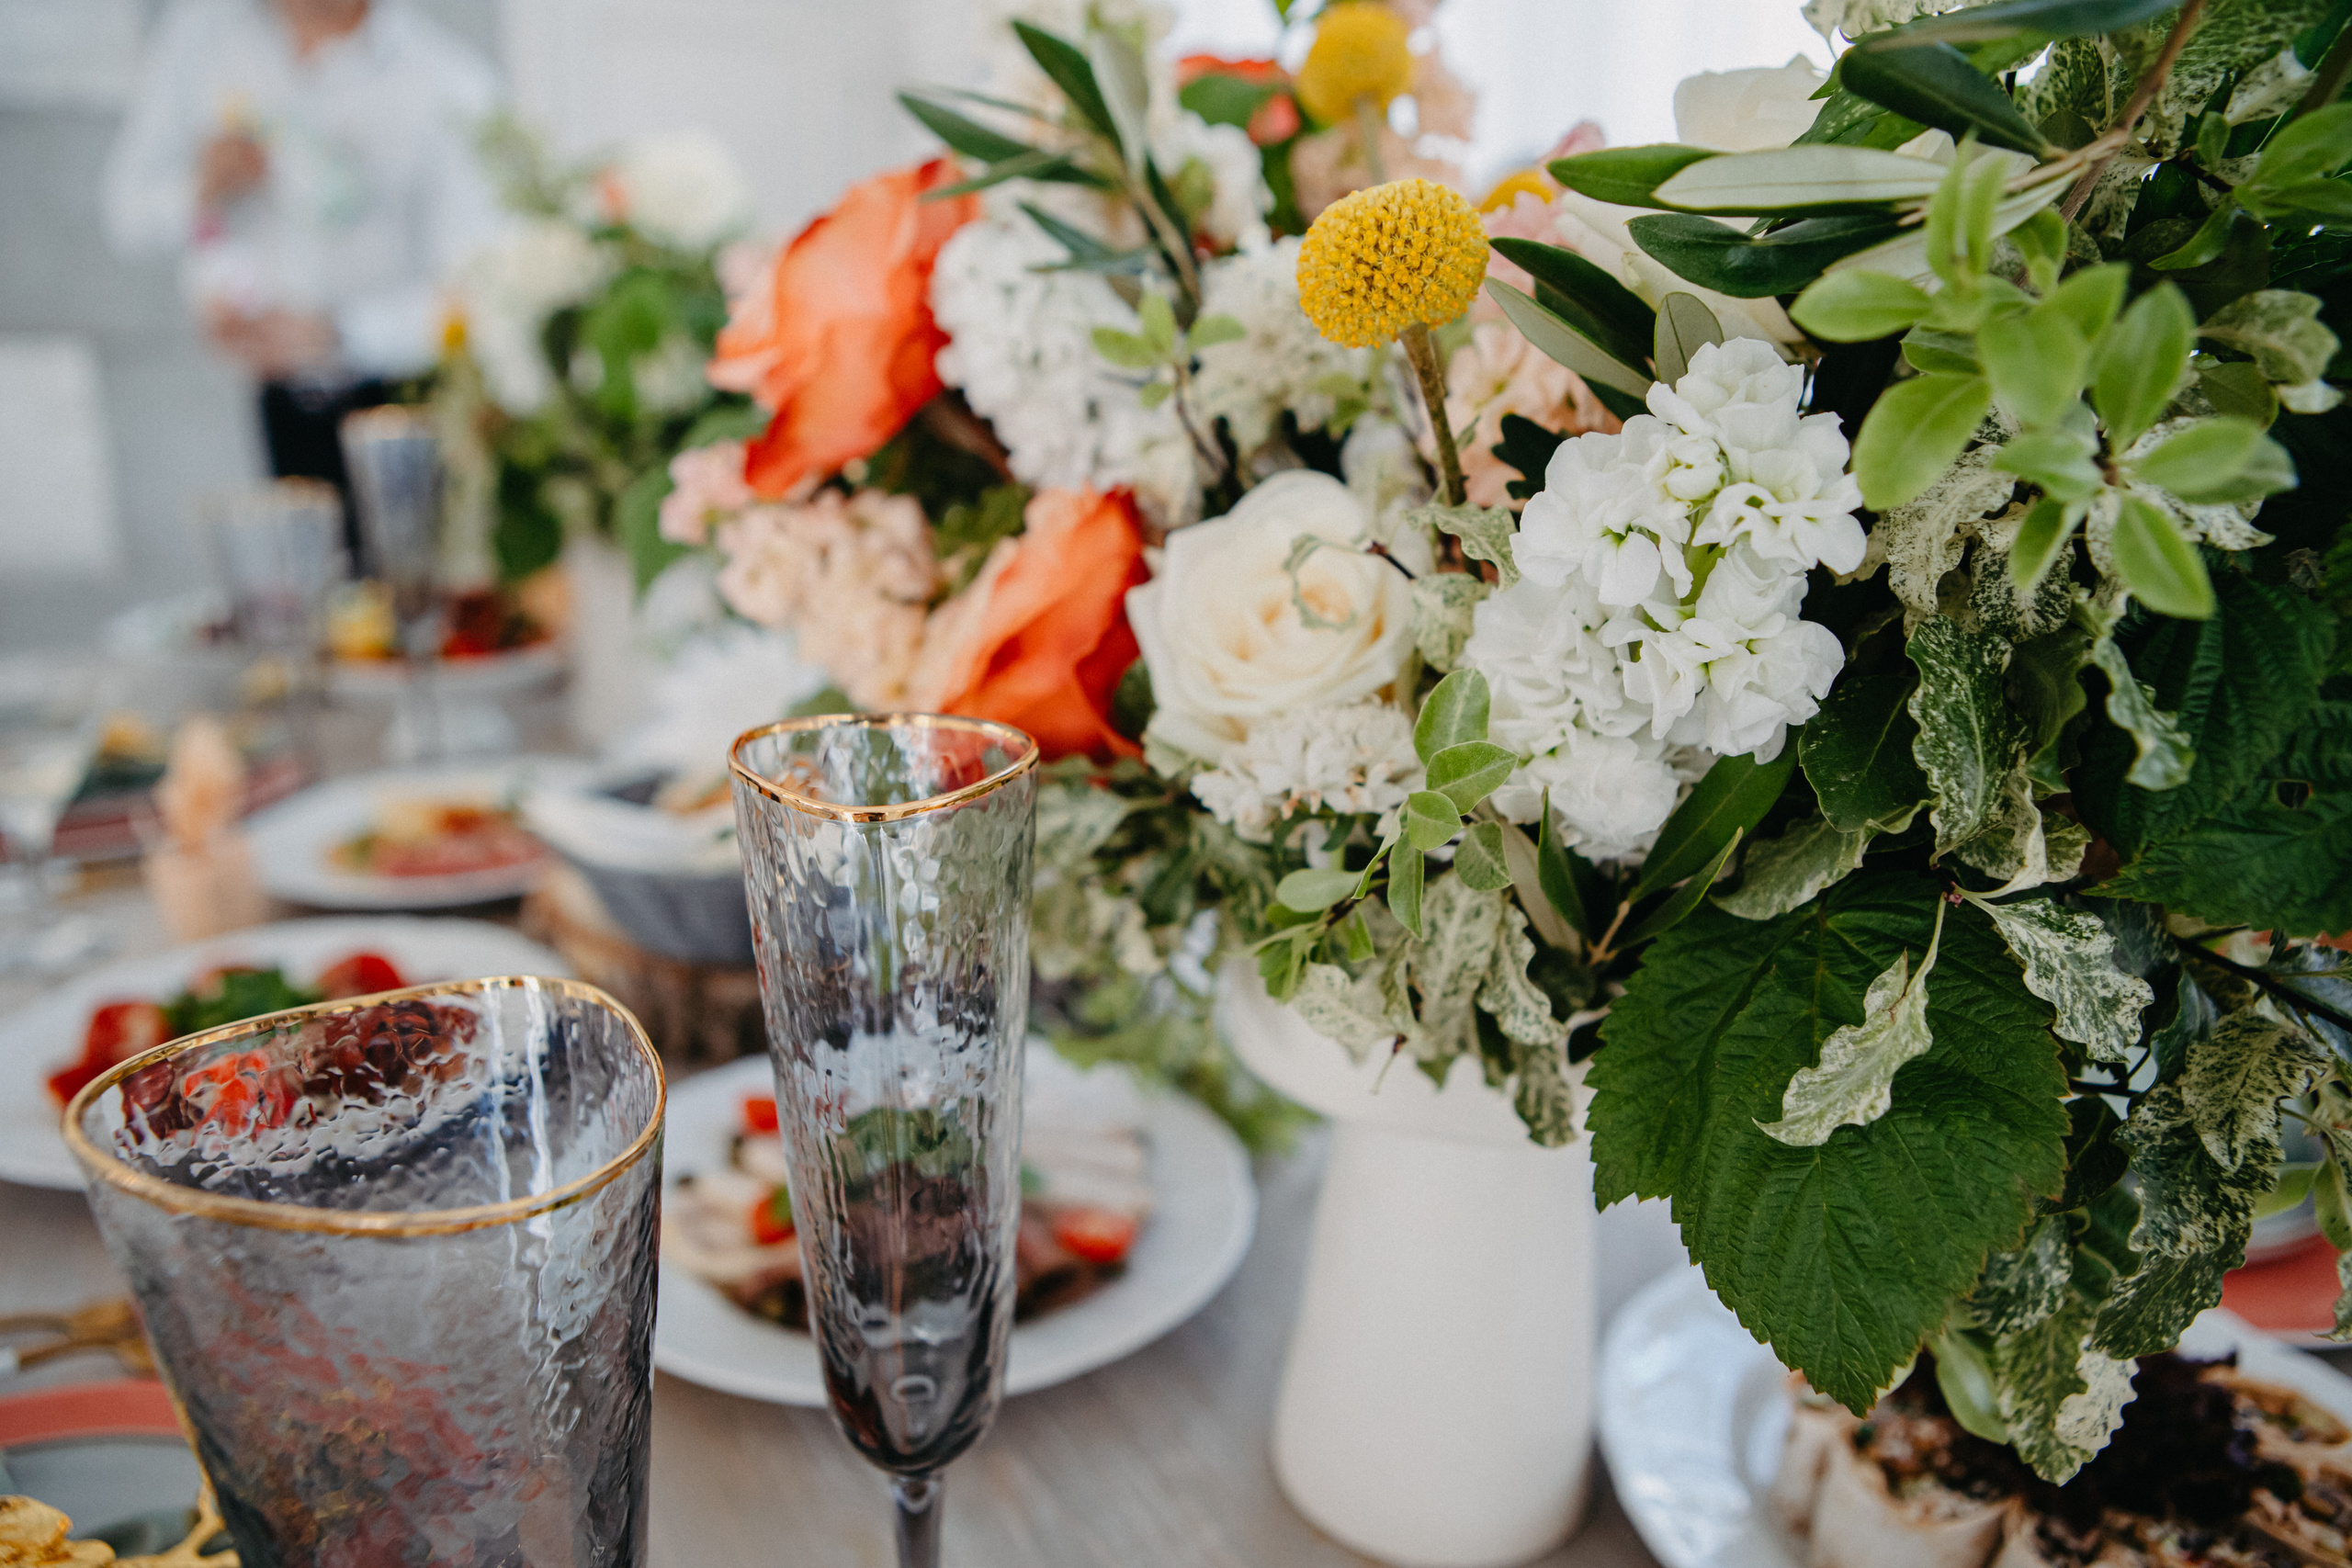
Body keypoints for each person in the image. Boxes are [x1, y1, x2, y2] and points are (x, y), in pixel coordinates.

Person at [103, 0, 503, 553]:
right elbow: (130, 214)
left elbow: (481, 292)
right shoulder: (206, 37)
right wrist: (203, 186)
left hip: (398, 409)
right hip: (255, 397)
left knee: (392, 611)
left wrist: (332, 334)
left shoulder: (450, 82)